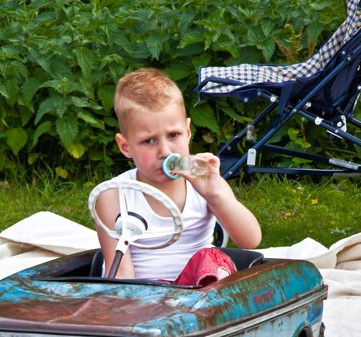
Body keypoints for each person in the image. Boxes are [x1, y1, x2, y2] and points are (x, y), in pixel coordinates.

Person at [94, 68, 262, 284]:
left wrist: (216, 194)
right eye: (149, 141)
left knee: (213, 257)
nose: (165, 151)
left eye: (173, 135)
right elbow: (121, 272)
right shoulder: (115, 196)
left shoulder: (204, 184)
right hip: (145, 294)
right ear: (125, 146)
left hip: (199, 292)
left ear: (188, 132)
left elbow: (251, 240)